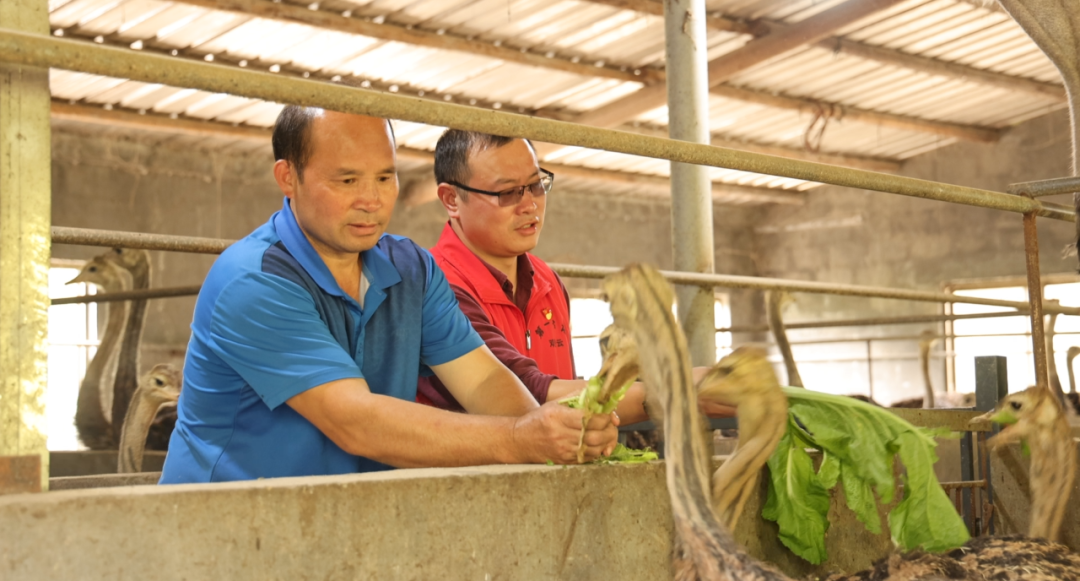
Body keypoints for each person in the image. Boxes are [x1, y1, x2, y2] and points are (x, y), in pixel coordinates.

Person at [159, 108, 618, 484]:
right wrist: (522, 439)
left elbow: (481, 381)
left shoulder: (411, 270)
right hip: (224, 531)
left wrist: (553, 437)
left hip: (349, 524)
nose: (372, 200)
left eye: (384, 177)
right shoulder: (253, 281)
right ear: (288, 177)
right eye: (347, 181)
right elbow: (355, 422)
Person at [417, 130, 735, 423]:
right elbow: (523, 393)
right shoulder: (435, 284)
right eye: (508, 192)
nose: (530, 205)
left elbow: (562, 381)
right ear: (451, 200)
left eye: (536, 184)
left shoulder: (547, 281)